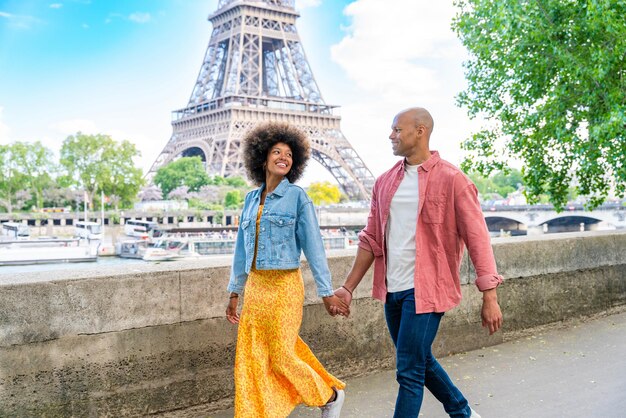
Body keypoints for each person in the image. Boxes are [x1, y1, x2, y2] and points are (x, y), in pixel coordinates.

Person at [333, 107, 504, 418]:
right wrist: (347, 287)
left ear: (420, 131)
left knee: (408, 371)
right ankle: (462, 413)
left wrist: (489, 296)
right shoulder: (384, 182)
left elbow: (478, 239)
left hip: (427, 289)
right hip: (392, 290)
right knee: (418, 359)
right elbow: (371, 239)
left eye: (397, 129)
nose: (391, 135)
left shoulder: (453, 180)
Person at [226, 122, 349, 418]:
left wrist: (326, 292)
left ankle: (330, 395)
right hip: (256, 287)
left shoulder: (297, 197)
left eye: (289, 154)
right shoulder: (250, 199)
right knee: (253, 357)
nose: (284, 157)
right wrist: (234, 292)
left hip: (284, 287)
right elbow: (242, 250)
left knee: (281, 355)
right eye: (277, 152)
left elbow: (314, 247)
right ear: (262, 158)